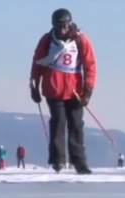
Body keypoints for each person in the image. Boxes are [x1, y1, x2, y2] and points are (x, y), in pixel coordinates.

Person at [30, 8, 96, 174]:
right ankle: (58, 161)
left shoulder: (81, 40)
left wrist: (87, 91)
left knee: (76, 124)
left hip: (75, 91)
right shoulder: (46, 40)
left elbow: (90, 66)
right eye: (58, 26)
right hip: (53, 88)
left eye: (64, 26)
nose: (61, 29)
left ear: (70, 24)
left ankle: (79, 162)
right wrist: (34, 87)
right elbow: (37, 63)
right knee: (58, 122)